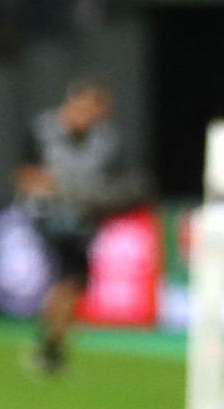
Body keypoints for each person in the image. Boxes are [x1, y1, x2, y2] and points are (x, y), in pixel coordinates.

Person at [15, 81, 143, 377]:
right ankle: (50, 348)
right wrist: (57, 190)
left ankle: (50, 344)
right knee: (69, 278)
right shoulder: (43, 130)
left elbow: (115, 184)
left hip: (83, 218)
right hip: (48, 213)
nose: (86, 116)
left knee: (74, 285)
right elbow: (26, 174)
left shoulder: (106, 141)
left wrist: (100, 199)